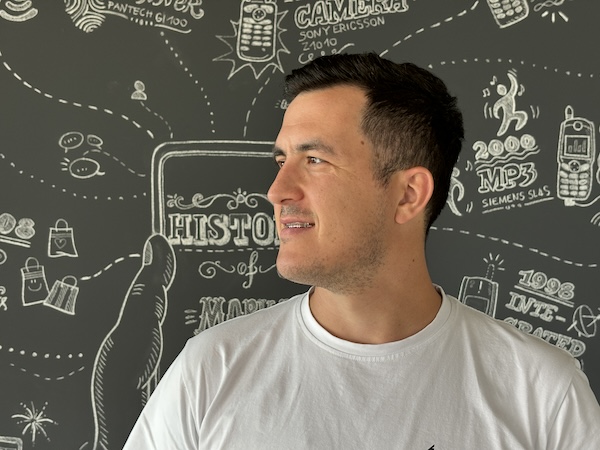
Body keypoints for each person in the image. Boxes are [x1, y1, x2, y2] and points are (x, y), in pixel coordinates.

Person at [123, 53, 600, 449]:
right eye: (282, 160)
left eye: (315, 160)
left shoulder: (542, 394)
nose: (276, 190)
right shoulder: (210, 370)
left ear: (408, 194)